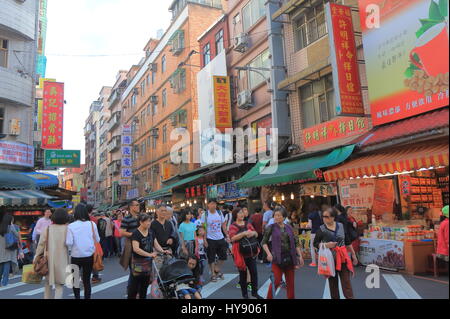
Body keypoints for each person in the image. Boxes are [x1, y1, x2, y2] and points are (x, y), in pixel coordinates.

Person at [313, 207, 358, 299]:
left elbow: (347, 240)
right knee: (333, 284)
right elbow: (315, 244)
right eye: (323, 216)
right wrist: (326, 245)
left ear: (333, 217)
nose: (324, 218)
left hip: (342, 258)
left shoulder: (340, 226)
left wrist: (353, 254)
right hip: (330, 259)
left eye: (327, 216)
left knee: (346, 283)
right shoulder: (321, 229)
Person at [262, 207, 304, 299]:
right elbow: (263, 242)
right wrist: (268, 253)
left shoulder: (289, 227)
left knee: (290, 284)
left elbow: (295, 242)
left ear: (284, 217)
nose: (276, 217)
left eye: (279, 215)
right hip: (277, 258)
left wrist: (300, 256)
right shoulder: (271, 227)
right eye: (275, 216)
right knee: (276, 282)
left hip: (290, 258)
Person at [129, 214, 169, 299]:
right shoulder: (136, 234)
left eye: (150, 221)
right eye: (146, 221)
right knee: (134, 287)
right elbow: (136, 249)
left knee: (144, 286)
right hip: (138, 263)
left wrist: (163, 251)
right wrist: (150, 254)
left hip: (148, 263)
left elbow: (156, 244)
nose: (149, 223)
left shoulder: (150, 232)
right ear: (140, 222)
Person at [66, 204, 100, 299]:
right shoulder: (91, 224)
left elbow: (69, 242)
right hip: (88, 255)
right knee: (86, 280)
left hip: (75, 256)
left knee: (75, 280)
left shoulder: (71, 226)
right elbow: (97, 239)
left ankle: (77, 297)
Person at [34, 208, 69, 299]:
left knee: (47, 283)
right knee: (59, 284)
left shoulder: (47, 229)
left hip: (48, 259)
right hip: (62, 259)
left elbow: (41, 245)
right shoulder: (67, 229)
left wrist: (36, 257)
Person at [229, 208, 263, 299]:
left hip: (251, 252)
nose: (241, 214)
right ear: (235, 215)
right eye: (239, 213)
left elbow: (256, 234)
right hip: (240, 254)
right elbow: (232, 238)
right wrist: (244, 233)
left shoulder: (248, 224)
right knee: (243, 275)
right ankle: (245, 295)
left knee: (254, 273)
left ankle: (255, 293)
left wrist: (252, 233)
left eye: (242, 213)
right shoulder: (233, 226)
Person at [200, 199, 229, 282]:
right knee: (211, 257)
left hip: (220, 237)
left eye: (215, 204)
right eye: (211, 204)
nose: (213, 205)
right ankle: (213, 274)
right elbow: (203, 227)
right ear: (208, 205)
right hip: (210, 238)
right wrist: (204, 239)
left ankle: (217, 269)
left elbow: (223, 225)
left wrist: (227, 235)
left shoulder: (219, 213)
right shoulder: (205, 215)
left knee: (223, 256)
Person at [120, 200, 141, 291]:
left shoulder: (142, 217)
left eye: (138, 205)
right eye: (137, 205)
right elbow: (122, 232)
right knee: (134, 271)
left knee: (140, 270)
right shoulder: (126, 219)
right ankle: (131, 289)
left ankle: (137, 289)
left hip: (142, 247)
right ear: (132, 207)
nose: (138, 206)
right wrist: (134, 235)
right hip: (131, 247)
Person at [151, 205, 176, 270]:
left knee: (170, 271)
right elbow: (152, 239)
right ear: (157, 212)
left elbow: (173, 233)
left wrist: (171, 238)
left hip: (168, 250)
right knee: (158, 272)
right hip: (157, 252)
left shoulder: (169, 223)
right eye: (162, 211)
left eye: (165, 211)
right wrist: (161, 250)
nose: (164, 212)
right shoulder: (152, 224)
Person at [0, 214, 22, 287]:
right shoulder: (10, 227)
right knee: (7, 263)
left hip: (0, 248)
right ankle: (4, 282)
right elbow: (17, 235)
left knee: (1, 264)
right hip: (8, 247)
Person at [307, 203, 323, 267]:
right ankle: (322, 262)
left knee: (312, 247)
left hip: (313, 232)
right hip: (320, 231)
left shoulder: (310, 215)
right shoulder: (320, 213)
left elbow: (310, 225)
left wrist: (307, 225)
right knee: (321, 247)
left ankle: (314, 262)